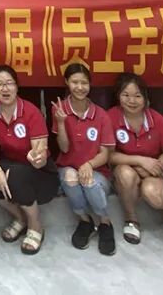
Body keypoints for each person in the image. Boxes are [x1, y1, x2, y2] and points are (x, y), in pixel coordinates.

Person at [0, 65, 57, 255]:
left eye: (9, 83)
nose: (5, 89)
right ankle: (20, 218)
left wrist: (36, 158)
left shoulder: (31, 112)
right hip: (11, 165)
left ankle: (35, 225)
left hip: (40, 172)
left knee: (16, 176)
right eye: (0, 84)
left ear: (17, 86)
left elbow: (41, 154)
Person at [107, 73, 163, 246]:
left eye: (137, 96)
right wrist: (140, 161)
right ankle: (131, 218)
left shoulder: (157, 119)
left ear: (145, 97)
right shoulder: (111, 117)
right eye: (126, 95)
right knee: (125, 173)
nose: (132, 101)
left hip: (154, 172)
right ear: (118, 96)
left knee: (152, 192)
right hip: (126, 168)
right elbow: (110, 155)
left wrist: (155, 167)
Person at [51, 64, 116, 255]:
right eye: (75, 82)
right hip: (68, 167)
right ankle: (84, 221)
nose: (80, 87)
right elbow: (64, 148)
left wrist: (89, 164)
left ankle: (105, 222)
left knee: (88, 181)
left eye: (84, 83)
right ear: (67, 83)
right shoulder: (60, 109)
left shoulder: (101, 115)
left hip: (97, 171)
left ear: (90, 84)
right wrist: (61, 123)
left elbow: (105, 154)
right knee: (70, 178)